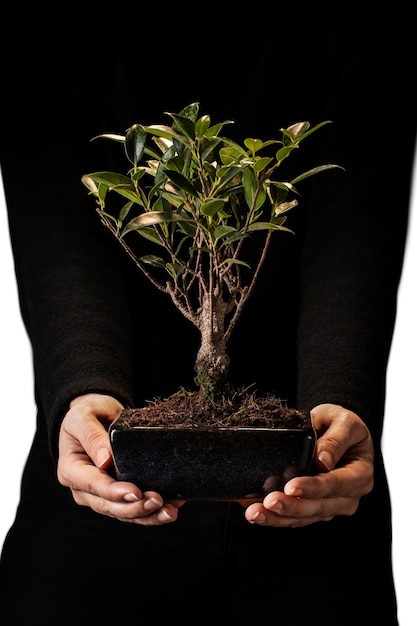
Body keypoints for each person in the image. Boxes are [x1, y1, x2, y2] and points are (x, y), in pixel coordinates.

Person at [1, 7, 415, 625]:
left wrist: (339, 394)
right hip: (94, 502)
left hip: (314, 512)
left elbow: (357, 217)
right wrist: (85, 385)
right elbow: (58, 222)